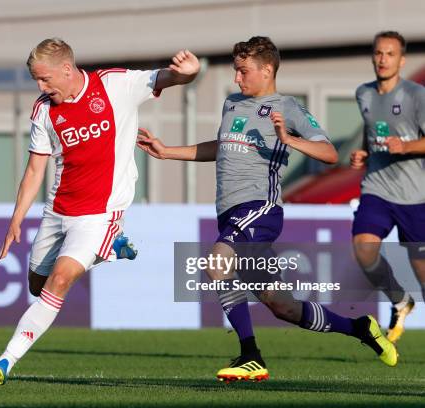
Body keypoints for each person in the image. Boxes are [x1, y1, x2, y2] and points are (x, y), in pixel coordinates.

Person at [137, 36, 397, 383]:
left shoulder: (287, 108)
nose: (237, 78)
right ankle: (361, 328)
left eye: (243, 71)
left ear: (267, 70)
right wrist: (168, 151)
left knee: (216, 264)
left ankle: (250, 356)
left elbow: (329, 154)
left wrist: (289, 139)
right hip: (230, 213)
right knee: (283, 306)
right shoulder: (232, 104)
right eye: (236, 71)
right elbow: (223, 147)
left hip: (260, 208)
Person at [0, 38, 200, 387]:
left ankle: (5, 361)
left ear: (66, 69)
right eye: (37, 80)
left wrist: (189, 73)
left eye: (45, 79)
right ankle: (110, 249)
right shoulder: (43, 110)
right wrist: (16, 218)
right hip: (57, 210)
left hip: (100, 213)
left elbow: (163, 78)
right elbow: (35, 169)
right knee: (38, 286)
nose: (41, 87)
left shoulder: (113, 85)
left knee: (61, 279)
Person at [350, 31, 425, 344]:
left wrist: (405, 147)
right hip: (377, 188)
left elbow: (410, 141)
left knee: (422, 271)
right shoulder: (363, 93)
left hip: (414, 194)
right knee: (364, 250)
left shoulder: (416, 95)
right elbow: (373, 134)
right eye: (379, 53)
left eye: (390, 54)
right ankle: (399, 299)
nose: (383, 59)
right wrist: (364, 153)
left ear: (401, 60)